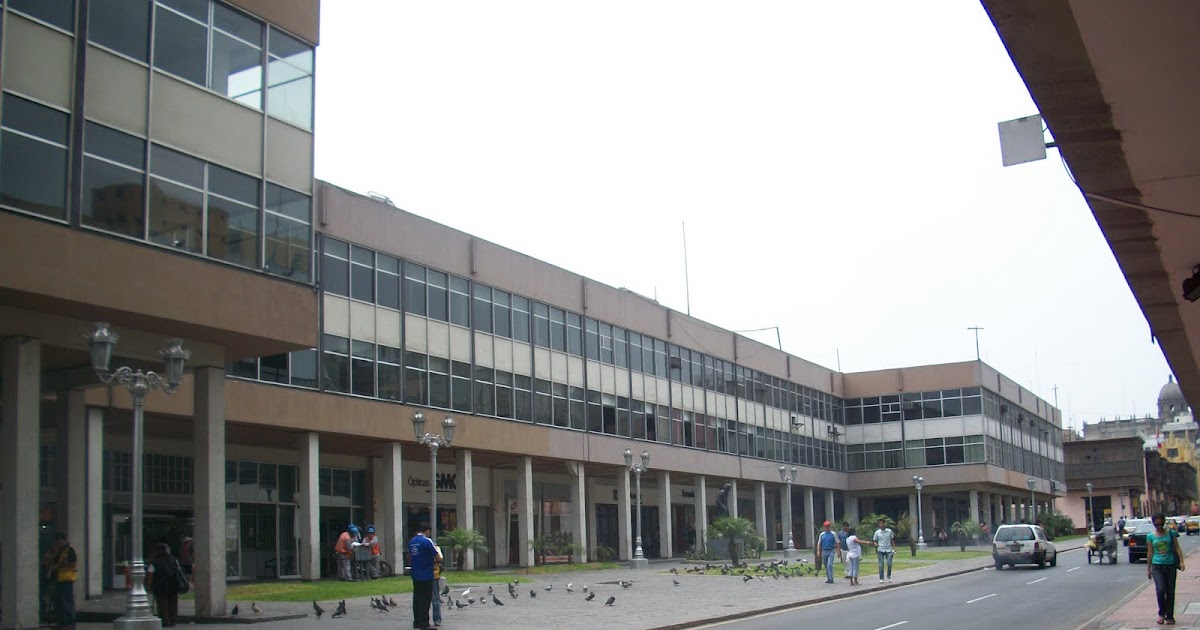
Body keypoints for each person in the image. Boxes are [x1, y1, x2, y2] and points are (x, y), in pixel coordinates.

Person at [1148, 512, 1186, 625]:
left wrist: (1182, 562)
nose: (1159, 527)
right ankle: (1161, 613)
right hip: (1157, 566)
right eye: (1157, 525)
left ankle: (1169, 616)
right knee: (1160, 589)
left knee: (1170, 591)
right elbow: (1150, 553)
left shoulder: (1171, 534)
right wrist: (1148, 569)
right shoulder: (1150, 536)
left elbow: (1177, 548)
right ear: (1154, 524)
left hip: (1170, 565)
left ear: (1164, 523)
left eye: (1161, 524)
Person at [409, 522, 441, 630]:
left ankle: (417, 622)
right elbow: (437, 556)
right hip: (426, 574)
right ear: (427, 531)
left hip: (415, 574)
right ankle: (424, 623)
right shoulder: (426, 541)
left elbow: (410, 557)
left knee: (417, 599)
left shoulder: (412, 541)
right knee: (425, 600)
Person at [45, 532, 77, 630]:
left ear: (62, 540)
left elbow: (73, 563)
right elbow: (52, 563)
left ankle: (69, 623)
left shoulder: (69, 550)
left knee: (67, 601)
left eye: (58, 541)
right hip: (58, 579)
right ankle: (62, 622)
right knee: (59, 602)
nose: (57, 544)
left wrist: (61, 565)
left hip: (66, 579)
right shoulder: (59, 551)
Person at [149, 542, 182, 627]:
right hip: (173, 584)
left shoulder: (155, 562)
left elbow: (150, 574)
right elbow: (178, 570)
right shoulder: (173, 559)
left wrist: (149, 585)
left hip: (160, 586)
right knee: (173, 603)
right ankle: (173, 620)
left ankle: (165, 621)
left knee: (162, 604)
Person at [872, 518, 896, 583]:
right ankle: (881, 578)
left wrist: (894, 548)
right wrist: (876, 544)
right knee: (881, 564)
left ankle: (889, 575)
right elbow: (874, 541)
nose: (881, 525)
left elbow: (892, 540)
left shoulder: (889, 531)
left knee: (889, 563)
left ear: (885, 524)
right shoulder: (877, 532)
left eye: (882, 523)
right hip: (880, 550)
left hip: (888, 549)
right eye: (879, 524)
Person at [431, 540, 444, 627]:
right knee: (434, 598)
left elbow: (440, 559)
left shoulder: (435, 548)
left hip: (433, 576)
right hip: (427, 576)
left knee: (435, 598)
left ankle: (437, 619)